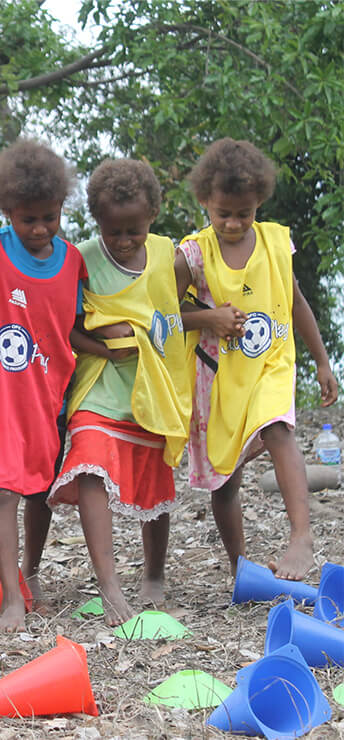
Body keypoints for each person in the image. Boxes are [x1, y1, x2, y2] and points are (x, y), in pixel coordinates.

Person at [0, 139, 96, 631]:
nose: (40, 229)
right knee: (4, 493)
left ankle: (29, 576)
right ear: (6, 210)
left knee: (39, 491)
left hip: (47, 397)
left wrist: (112, 346)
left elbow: (69, 328)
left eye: (49, 218)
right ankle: (11, 596)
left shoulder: (72, 261)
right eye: (28, 219)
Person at [175, 138, 339, 581]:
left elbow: (297, 302)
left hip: (270, 364)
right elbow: (167, 316)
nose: (232, 222)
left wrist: (322, 362)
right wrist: (211, 316)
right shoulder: (191, 254)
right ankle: (240, 566)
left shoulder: (275, 243)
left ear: (259, 202)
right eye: (222, 212)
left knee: (280, 429)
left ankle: (301, 536)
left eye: (243, 213)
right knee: (224, 480)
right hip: (220, 378)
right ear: (204, 200)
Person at [48, 159, 191, 625]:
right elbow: (67, 327)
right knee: (90, 464)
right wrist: (105, 349)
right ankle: (108, 583)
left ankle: (153, 574)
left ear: (153, 215)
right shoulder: (82, 259)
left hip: (152, 392)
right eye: (115, 232)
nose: (126, 240)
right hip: (99, 386)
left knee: (155, 478)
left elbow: (173, 315)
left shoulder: (170, 255)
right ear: (98, 222)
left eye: (135, 230)